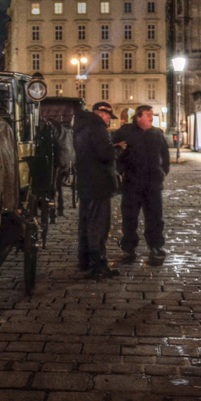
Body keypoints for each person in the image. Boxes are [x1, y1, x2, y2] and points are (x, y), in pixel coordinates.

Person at [112, 104, 171, 264]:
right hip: (132, 183)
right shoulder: (125, 131)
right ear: (138, 117)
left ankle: (155, 247)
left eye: (152, 114)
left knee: (155, 217)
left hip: (153, 184)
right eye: (147, 115)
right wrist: (122, 170)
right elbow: (114, 151)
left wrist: (164, 171)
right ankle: (129, 248)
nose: (151, 117)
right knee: (130, 217)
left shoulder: (157, 133)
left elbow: (165, 155)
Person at [72, 102, 122, 278]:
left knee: (86, 224)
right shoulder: (97, 127)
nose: (109, 120)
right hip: (99, 183)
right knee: (98, 226)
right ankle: (98, 266)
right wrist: (118, 149)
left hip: (86, 182)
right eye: (109, 116)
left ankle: (84, 261)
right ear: (102, 113)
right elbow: (105, 155)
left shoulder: (81, 126)